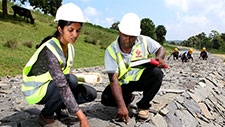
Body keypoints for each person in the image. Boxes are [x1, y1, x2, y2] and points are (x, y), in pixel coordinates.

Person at [21, 3, 97, 127]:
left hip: (52, 87)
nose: (75, 34)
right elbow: (62, 84)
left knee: (90, 93)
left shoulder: (70, 47)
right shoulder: (50, 49)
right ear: (60, 29)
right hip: (36, 91)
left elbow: (64, 71)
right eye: (71, 30)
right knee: (70, 80)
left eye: (78, 31)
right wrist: (82, 118)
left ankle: (58, 108)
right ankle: (45, 115)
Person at [101, 13, 166, 124]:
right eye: (125, 35)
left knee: (157, 73)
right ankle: (127, 98)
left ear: (137, 35)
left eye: (132, 36)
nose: (128, 39)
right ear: (119, 32)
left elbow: (160, 48)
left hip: (141, 79)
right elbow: (113, 80)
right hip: (122, 84)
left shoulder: (144, 40)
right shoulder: (110, 50)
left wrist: (159, 57)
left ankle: (143, 105)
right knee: (106, 98)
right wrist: (121, 106)